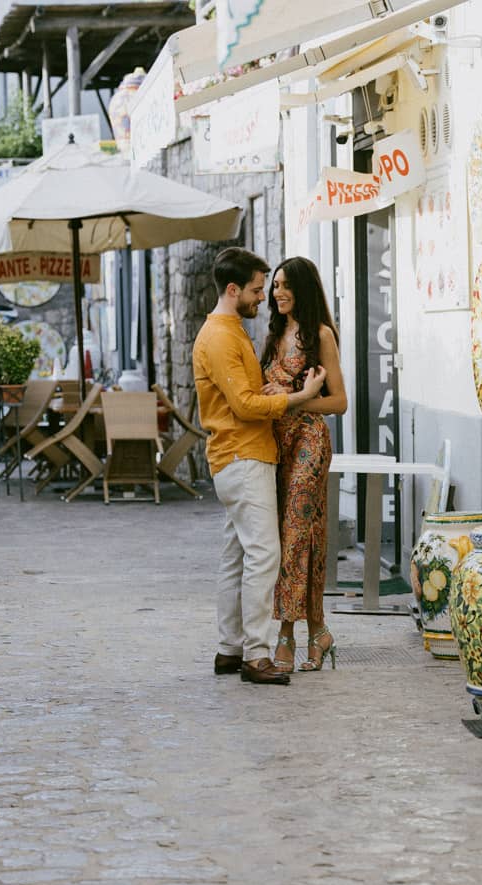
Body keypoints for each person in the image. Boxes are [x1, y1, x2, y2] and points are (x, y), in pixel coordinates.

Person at [193, 247, 323, 685]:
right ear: (233, 290)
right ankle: (256, 654)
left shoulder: (228, 331)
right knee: (265, 554)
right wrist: (300, 398)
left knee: (235, 556)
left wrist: (268, 386)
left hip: (236, 455)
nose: (261, 298)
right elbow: (246, 406)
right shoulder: (222, 336)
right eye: (254, 290)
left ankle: (229, 649)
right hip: (243, 455)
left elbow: (246, 391)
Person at [259, 257, 348, 673]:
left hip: (310, 441)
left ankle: (285, 635)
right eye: (274, 285)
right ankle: (319, 630)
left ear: (303, 288)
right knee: (297, 535)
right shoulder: (274, 335)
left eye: (284, 285)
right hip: (279, 443)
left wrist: (297, 399)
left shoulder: (321, 335)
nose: (277, 292)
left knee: (295, 534)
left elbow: (339, 402)